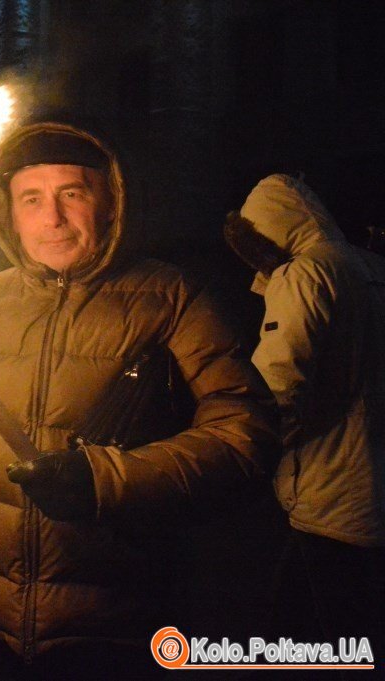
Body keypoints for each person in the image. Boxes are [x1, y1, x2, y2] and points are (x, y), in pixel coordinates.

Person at [0, 121, 280, 679]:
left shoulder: (172, 300)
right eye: (31, 198)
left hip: (112, 625)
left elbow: (244, 436)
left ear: (110, 202)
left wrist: (105, 480)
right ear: (9, 213)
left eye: (71, 193)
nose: (51, 217)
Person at [224, 174, 385, 656]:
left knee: (322, 641)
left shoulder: (305, 275)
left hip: (330, 493)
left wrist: (246, 445)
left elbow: (277, 383)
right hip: (375, 489)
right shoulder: (371, 266)